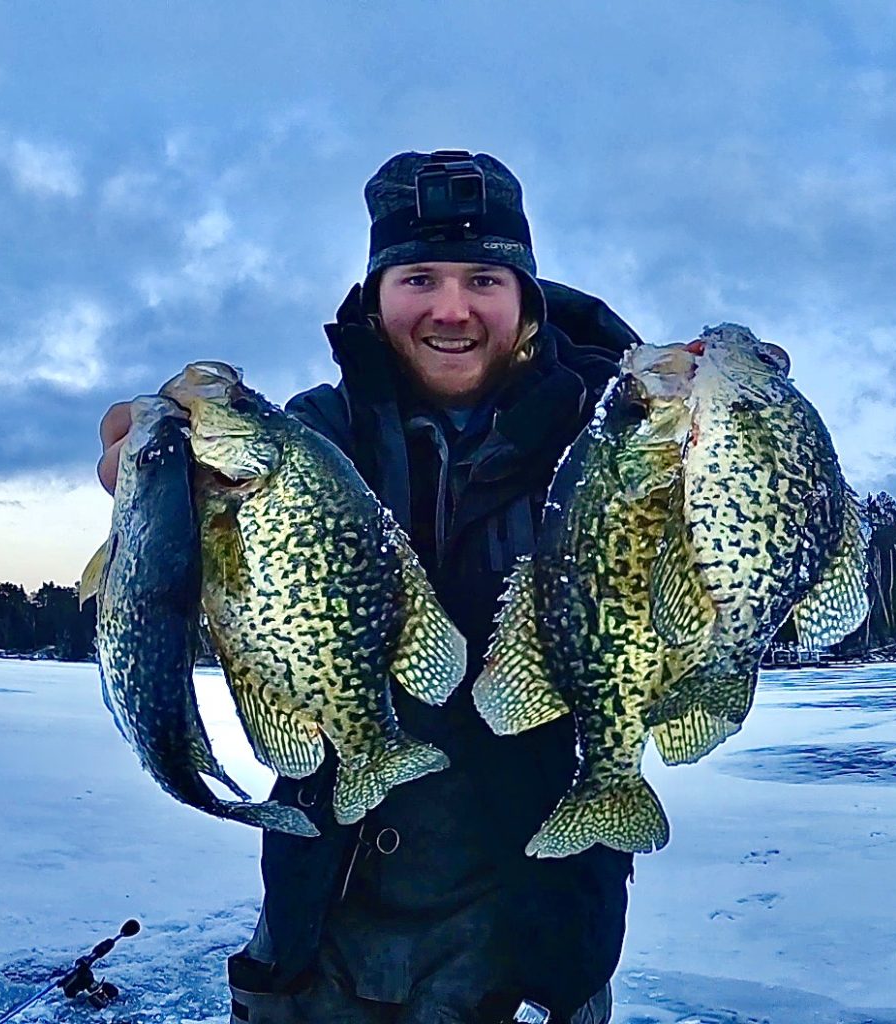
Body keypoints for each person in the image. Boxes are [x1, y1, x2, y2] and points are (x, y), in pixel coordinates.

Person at [98, 150, 642, 1024]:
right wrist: (149, 475)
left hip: (537, 936)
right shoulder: (310, 432)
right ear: (374, 296)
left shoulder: (617, 438)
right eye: (418, 276)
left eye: (484, 278)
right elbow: (174, 519)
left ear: (527, 299)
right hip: (325, 932)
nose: (451, 307)